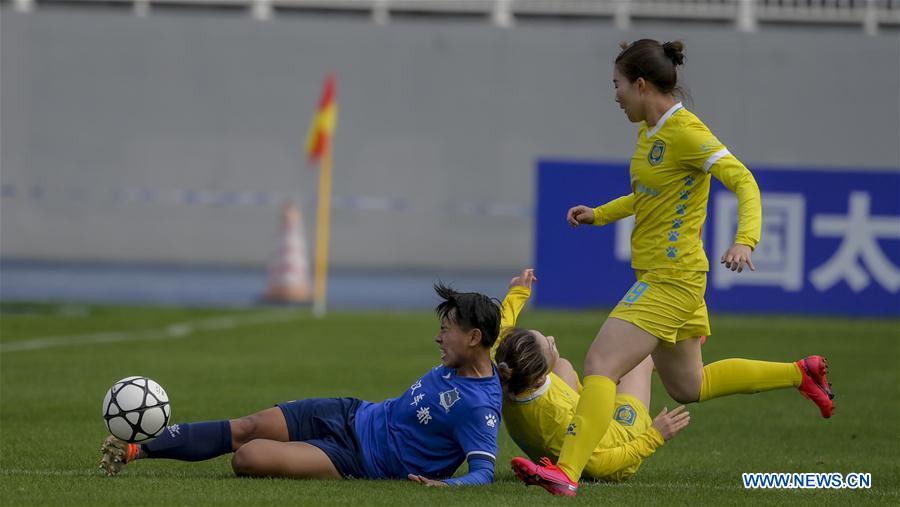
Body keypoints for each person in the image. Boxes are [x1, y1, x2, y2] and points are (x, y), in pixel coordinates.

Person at [511, 39, 835, 497]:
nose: (614, 94)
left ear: (641, 84)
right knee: (688, 385)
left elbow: (744, 181)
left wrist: (746, 239)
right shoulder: (648, 132)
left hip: (672, 278)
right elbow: (649, 196)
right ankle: (801, 373)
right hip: (665, 277)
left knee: (601, 362)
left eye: (617, 84)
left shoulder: (686, 131)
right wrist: (600, 214)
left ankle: (566, 472)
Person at [100, 284, 503, 487]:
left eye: (446, 330)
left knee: (248, 457)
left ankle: (302, 451)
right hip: (352, 411)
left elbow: (483, 473)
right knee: (250, 426)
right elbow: (507, 320)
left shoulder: (479, 406)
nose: (438, 338)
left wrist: (443, 485)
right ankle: (136, 449)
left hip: (359, 460)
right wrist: (518, 289)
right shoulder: (469, 355)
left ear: (473, 337)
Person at [494, 269, 691, 483]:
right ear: (539, 378)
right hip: (617, 443)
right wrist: (654, 436)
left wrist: (518, 292)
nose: (552, 338)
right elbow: (599, 464)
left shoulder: (501, 368)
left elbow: (502, 328)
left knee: (563, 366)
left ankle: (607, 390)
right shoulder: (555, 417)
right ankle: (681, 352)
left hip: (560, 430)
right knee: (640, 359)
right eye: (549, 345)